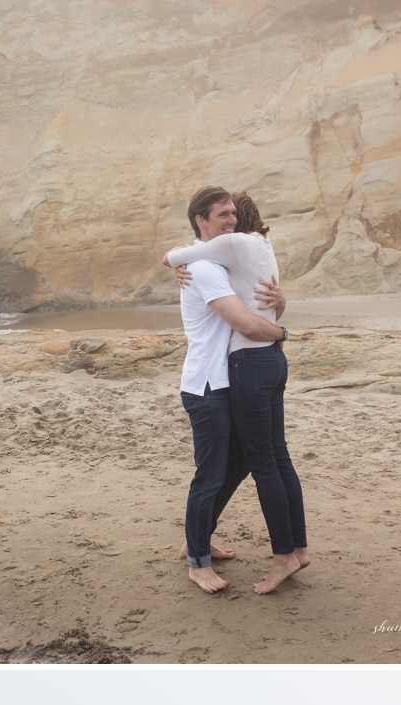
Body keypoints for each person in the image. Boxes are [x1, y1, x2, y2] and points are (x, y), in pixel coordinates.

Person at [166, 193, 310, 595]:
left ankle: (200, 535)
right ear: (202, 221)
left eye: (234, 213)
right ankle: (197, 561)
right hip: (208, 385)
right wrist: (283, 334)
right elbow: (246, 323)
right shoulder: (206, 267)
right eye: (222, 215)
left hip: (229, 380)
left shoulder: (215, 261)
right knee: (210, 474)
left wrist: (280, 304)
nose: (231, 220)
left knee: (243, 462)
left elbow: (256, 301)